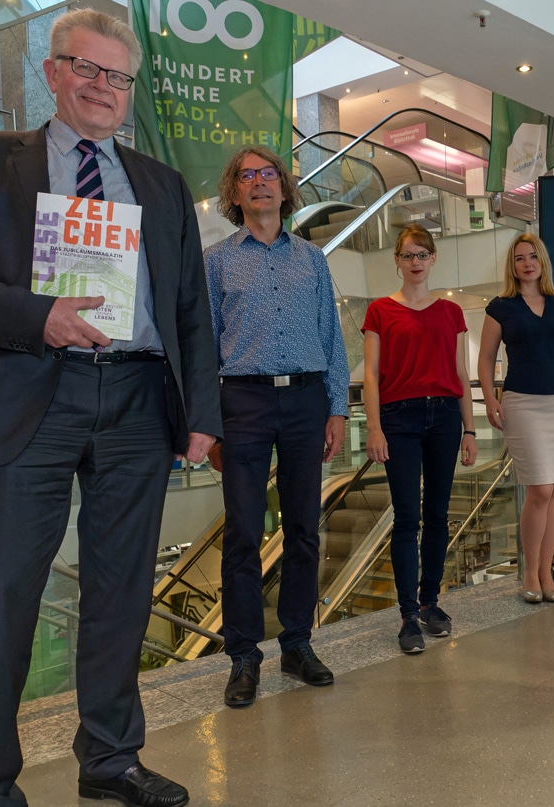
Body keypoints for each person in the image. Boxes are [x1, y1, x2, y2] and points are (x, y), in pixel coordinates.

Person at [0, 9, 219, 806]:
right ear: (52, 71)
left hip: (141, 400)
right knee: (2, 598)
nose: (103, 88)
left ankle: (111, 759)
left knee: (120, 594)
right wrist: (33, 312)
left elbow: (189, 309)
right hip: (29, 391)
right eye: (88, 68)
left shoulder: (162, 183)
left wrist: (203, 415)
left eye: (118, 76)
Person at [205, 145, 350, 708]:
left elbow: (332, 339)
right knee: (242, 532)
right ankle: (243, 656)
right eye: (248, 176)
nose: (260, 183)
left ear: (285, 189)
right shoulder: (217, 261)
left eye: (269, 174)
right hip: (241, 401)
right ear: (235, 192)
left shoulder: (312, 260)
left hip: (306, 401)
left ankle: (297, 643)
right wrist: (209, 423)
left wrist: (336, 408)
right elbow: (204, 343)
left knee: (304, 530)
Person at [362, 224, 478, 654]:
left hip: (446, 416)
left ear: (433, 260)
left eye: (422, 255)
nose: (415, 262)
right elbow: (371, 376)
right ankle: (408, 614)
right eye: (408, 255)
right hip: (400, 418)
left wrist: (470, 429)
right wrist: (374, 427)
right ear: (396, 261)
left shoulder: (451, 314)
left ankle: (431, 603)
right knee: (407, 517)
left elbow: (462, 376)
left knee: (439, 514)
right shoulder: (379, 311)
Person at [477, 233, 554, 603]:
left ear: (543, 262)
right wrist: (491, 397)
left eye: (533, 257)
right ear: (513, 265)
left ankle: (545, 570)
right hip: (522, 403)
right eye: (520, 258)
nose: (527, 263)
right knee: (539, 488)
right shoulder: (501, 306)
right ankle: (529, 570)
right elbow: (486, 359)